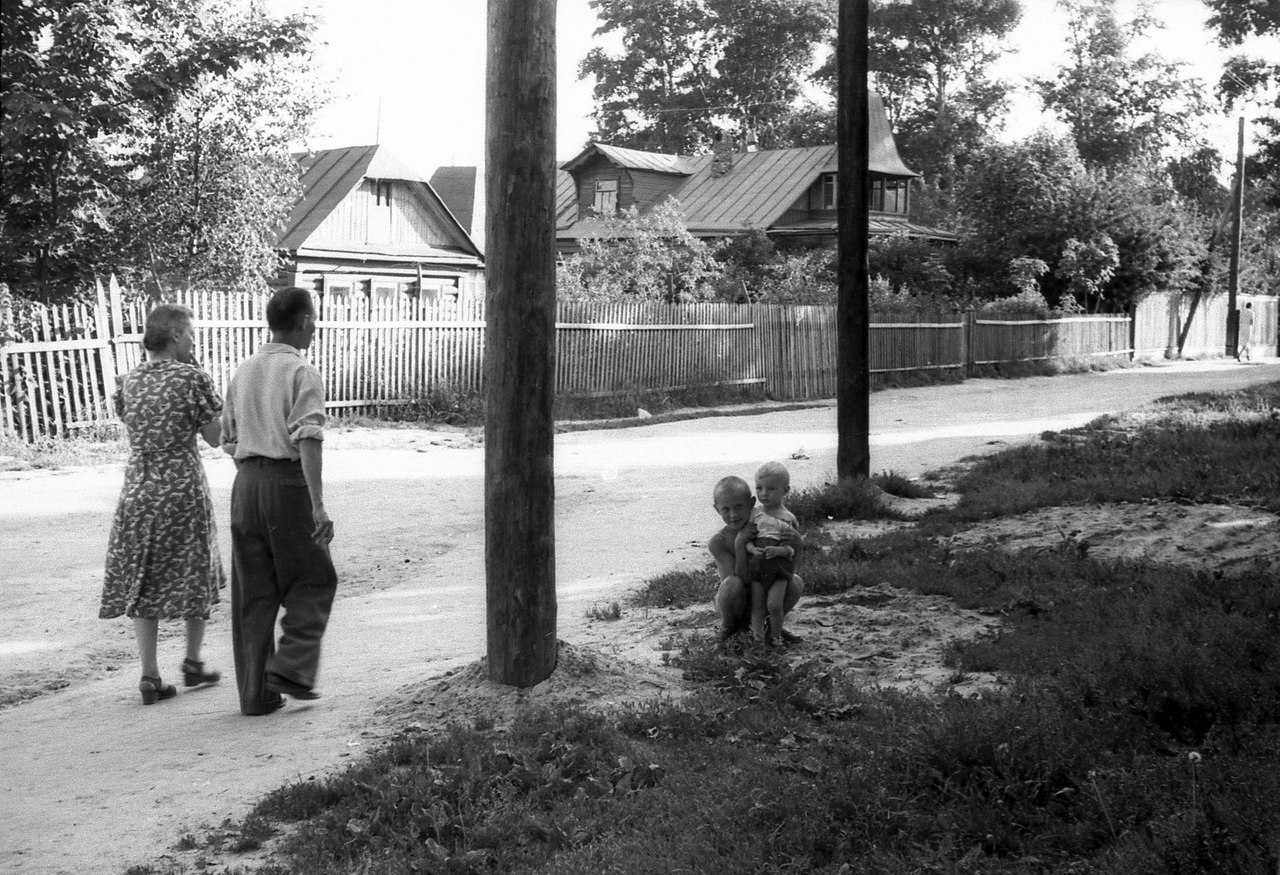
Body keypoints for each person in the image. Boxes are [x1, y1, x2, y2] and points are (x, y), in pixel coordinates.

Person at [100, 304, 224, 705]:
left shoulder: (127, 382)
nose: (193, 341)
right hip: (181, 488)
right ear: (174, 335)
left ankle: (150, 674)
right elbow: (215, 437)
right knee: (194, 568)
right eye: (190, 334)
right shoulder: (192, 378)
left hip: (138, 489)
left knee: (144, 575)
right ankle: (192, 661)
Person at [220, 288, 337, 716]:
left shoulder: (244, 370)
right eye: (314, 319)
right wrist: (318, 505)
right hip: (287, 485)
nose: (315, 326)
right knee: (314, 578)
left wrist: (252, 482)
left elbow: (228, 439)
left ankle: (255, 694)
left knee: (255, 592)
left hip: (246, 484)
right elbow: (308, 438)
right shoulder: (301, 371)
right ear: (305, 322)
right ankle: (291, 668)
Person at [709, 474, 803, 645]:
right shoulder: (718, 542)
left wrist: (797, 545)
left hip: (764, 595)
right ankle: (728, 628)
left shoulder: (767, 527)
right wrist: (740, 544)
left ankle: (772, 625)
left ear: (752, 504)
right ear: (717, 509)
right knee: (732, 583)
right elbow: (739, 582)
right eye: (726, 509)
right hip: (735, 602)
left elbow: (787, 570)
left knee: (796, 581)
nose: (733, 514)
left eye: (739, 507)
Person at [743, 461, 801, 646]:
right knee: (758, 606)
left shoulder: (788, 518)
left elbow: (791, 550)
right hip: (758, 567)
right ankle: (758, 639)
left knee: (774, 605)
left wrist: (780, 550)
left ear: (786, 491)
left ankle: (775, 637)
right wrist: (752, 549)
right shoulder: (754, 514)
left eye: (771, 489)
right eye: (759, 488)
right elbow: (747, 541)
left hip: (779, 569)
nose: (764, 494)